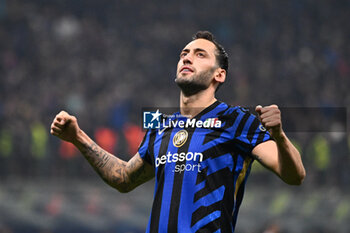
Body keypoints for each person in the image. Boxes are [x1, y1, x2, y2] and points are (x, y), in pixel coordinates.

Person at [50, 31, 306, 233]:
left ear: (220, 74)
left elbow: (295, 175)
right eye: (184, 53)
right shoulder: (160, 126)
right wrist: (77, 137)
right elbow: (124, 179)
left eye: (200, 54)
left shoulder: (237, 121)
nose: (187, 57)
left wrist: (279, 136)